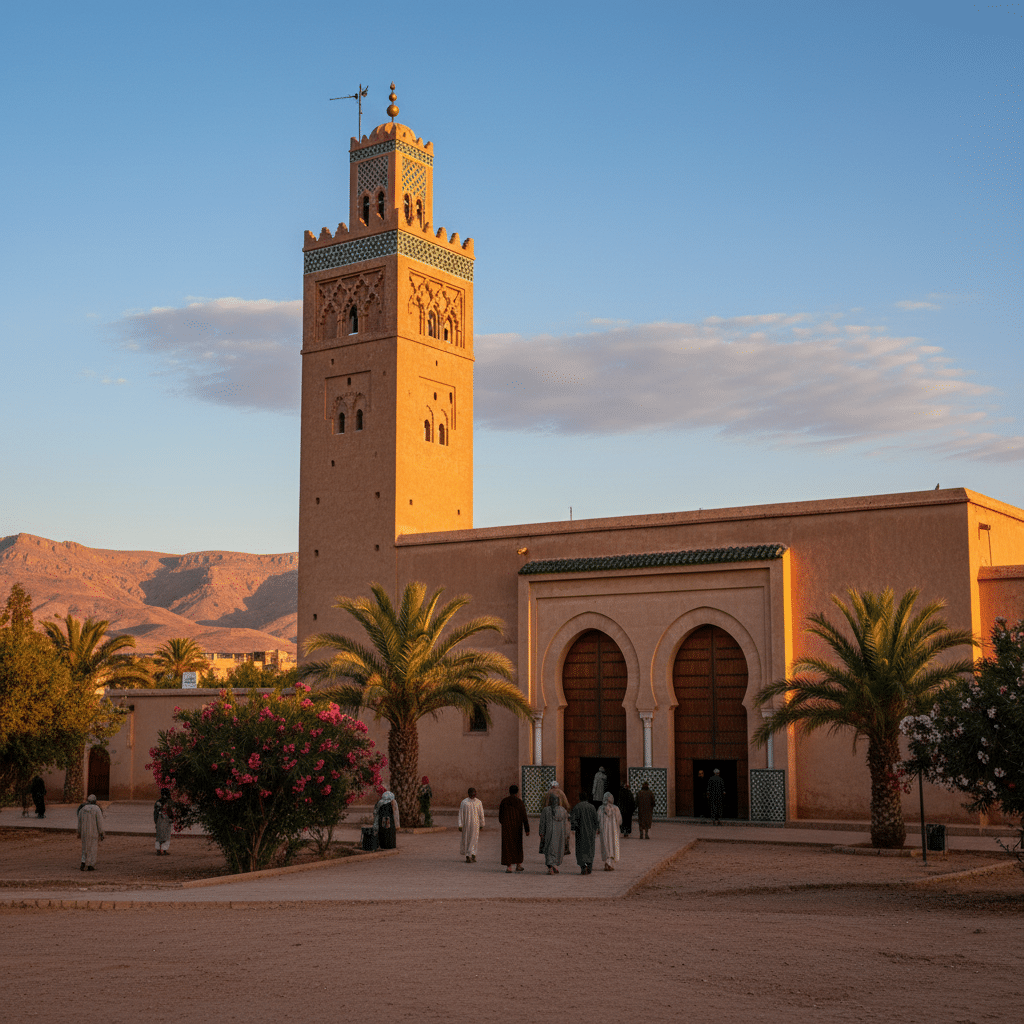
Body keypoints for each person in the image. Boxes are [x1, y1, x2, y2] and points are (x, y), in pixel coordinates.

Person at [498, 784, 530, 872]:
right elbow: (524, 816)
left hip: (506, 828)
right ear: (517, 792)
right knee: (517, 845)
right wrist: (527, 829)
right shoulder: (519, 802)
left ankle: (509, 867)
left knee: (507, 846)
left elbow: (500, 816)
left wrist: (504, 824)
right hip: (517, 828)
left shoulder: (504, 801)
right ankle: (518, 864)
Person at [569, 791, 599, 875]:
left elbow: (573, 820)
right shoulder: (592, 807)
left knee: (580, 849)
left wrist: (575, 828)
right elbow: (596, 820)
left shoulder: (577, 807)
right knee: (590, 849)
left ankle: (583, 866)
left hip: (580, 833)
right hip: (590, 833)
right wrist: (596, 828)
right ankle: (589, 866)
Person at [539, 792, 568, 874]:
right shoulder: (563, 810)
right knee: (557, 849)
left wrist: (541, 833)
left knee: (549, 850)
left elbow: (542, 823)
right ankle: (554, 865)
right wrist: (566, 835)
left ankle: (551, 867)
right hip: (560, 835)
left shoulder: (546, 810)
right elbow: (566, 825)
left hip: (548, 834)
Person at [77, 794, 104, 871]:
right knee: (93, 847)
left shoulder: (82, 809)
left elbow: (79, 822)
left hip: (84, 832)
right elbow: (100, 822)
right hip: (93, 832)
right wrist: (101, 833)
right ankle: (90, 865)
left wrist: (79, 832)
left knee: (84, 847)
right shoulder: (97, 809)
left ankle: (83, 862)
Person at [459, 787, 485, 862]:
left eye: (474, 793)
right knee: (467, 838)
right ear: (469, 794)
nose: (473, 795)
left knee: (475, 839)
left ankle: (473, 854)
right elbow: (461, 814)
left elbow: (481, 814)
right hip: (467, 823)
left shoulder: (478, 802)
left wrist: (482, 824)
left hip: (476, 824)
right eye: (472, 793)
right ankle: (468, 855)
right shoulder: (464, 802)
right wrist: (460, 824)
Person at [597, 791, 622, 870]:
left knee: (606, 845)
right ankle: (610, 863)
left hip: (604, 830)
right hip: (613, 831)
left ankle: (607, 862)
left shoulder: (600, 809)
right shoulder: (615, 809)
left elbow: (597, 819)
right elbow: (620, 820)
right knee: (613, 845)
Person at [153, 788, 173, 855]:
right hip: (163, 820)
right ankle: (162, 850)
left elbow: (156, 813)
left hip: (163, 820)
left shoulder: (158, 802)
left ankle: (160, 850)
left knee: (162, 836)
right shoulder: (161, 802)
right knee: (164, 836)